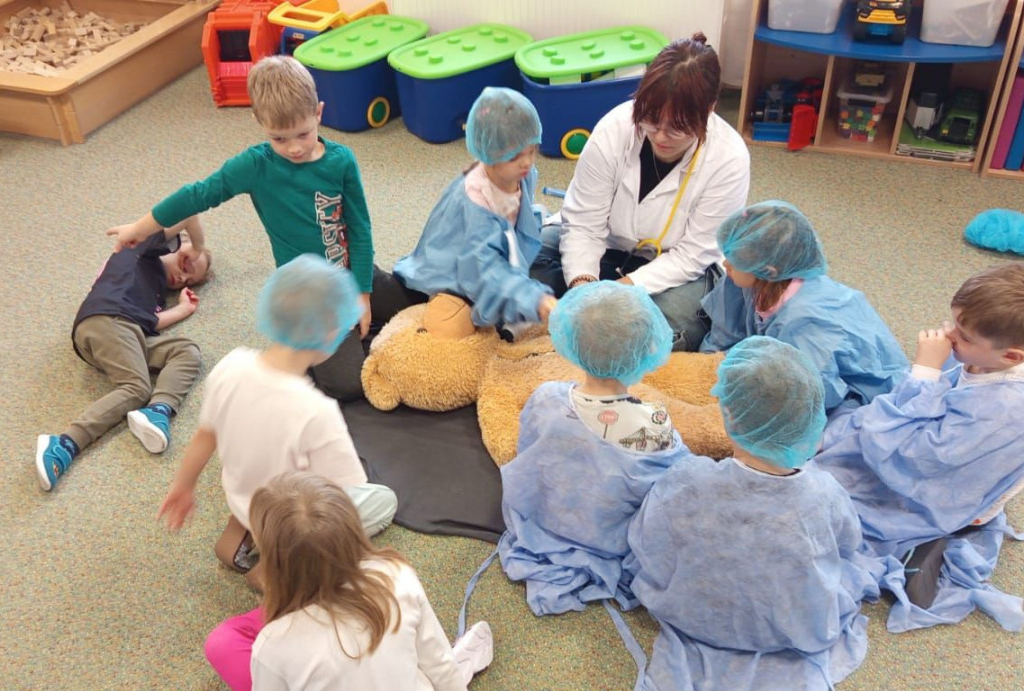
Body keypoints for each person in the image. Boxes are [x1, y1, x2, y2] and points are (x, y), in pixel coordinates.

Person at [626, 336, 880, 691]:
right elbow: (848, 545)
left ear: (728, 413)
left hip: (695, 616)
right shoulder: (824, 493)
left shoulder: (688, 480)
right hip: (792, 624)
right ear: (810, 416)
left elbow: (648, 542)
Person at [204, 472, 529, 691]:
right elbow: (437, 658)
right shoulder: (397, 575)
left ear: (275, 567)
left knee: (221, 643)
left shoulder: (275, 644)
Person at [106, 55, 395, 401]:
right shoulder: (255, 165)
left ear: (318, 113)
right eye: (279, 138)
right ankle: (300, 343)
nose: (294, 147)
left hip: (350, 271)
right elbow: (197, 194)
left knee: (415, 302)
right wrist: (140, 227)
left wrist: (362, 292)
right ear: (259, 121)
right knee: (347, 384)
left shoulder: (341, 161)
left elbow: (360, 229)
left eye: (303, 134)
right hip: (310, 296)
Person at [158, 256, 396, 573]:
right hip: (290, 527)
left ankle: (245, 529)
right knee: (383, 500)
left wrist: (183, 486)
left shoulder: (231, 366)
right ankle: (280, 569)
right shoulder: (317, 412)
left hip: (243, 501)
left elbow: (205, 436)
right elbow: (337, 496)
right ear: (330, 333)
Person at [815, 262, 1024, 557]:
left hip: (943, 487)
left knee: (827, 512)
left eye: (964, 336)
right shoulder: (981, 357)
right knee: (827, 459)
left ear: (1011, 356)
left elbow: (917, 459)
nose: (949, 334)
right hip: (934, 446)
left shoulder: (1010, 410)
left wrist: (923, 373)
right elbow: (903, 409)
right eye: (954, 323)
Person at [530, 33, 751, 351]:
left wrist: (618, 291)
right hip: (607, 246)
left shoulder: (729, 157)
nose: (660, 136)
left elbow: (692, 256)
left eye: (678, 127)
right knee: (521, 261)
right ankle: (592, 329)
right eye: (650, 119)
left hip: (677, 272)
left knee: (673, 325)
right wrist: (583, 284)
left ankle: (593, 335)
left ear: (710, 110)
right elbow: (584, 224)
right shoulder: (615, 128)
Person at [498, 282, 690, 615]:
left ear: (571, 342)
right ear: (648, 348)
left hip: (547, 523)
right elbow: (675, 487)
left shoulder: (546, 398)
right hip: (611, 538)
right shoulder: (654, 424)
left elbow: (528, 453)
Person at [36, 215, 211, 491]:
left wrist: (182, 309)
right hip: (108, 320)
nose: (183, 276)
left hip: (126, 332)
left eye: (189, 280)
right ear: (177, 245)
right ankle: (65, 443)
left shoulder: (154, 291)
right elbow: (188, 214)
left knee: (186, 350)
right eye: (186, 263)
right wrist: (197, 247)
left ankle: (158, 409)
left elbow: (150, 323)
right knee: (136, 387)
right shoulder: (140, 248)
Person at [699, 200, 908, 415]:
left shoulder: (806, 325)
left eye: (733, 262)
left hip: (860, 396)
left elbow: (813, 399)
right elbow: (724, 333)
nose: (725, 265)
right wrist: (707, 368)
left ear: (769, 271)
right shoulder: (754, 280)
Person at [384, 87, 556, 338]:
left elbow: (519, 225)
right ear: (489, 155)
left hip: (495, 253)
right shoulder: (475, 202)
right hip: (455, 274)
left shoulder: (521, 175)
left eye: (532, 151)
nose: (527, 162)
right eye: (515, 157)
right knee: (452, 327)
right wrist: (532, 299)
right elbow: (482, 268)